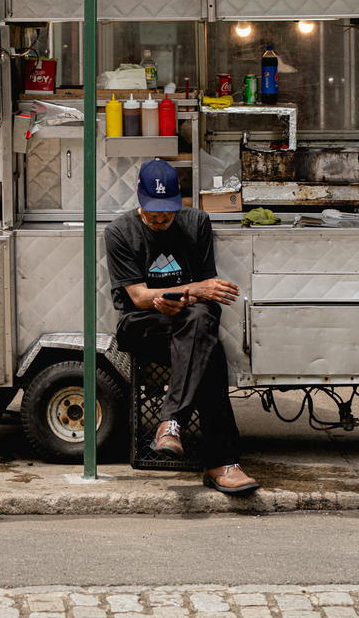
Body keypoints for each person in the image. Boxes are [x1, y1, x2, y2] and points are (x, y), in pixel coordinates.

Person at [104, 158, 259, 495]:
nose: (160, 218)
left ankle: (171, 424)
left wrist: (189, 297)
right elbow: (139, 297)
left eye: (168, 211)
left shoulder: (196, 223)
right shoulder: (119, 231)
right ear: (138, 197)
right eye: (153, 211)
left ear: (180, 201)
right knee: (206, 349)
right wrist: (173, 296)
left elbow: (208, 287)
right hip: (144, 325)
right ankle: (222, 463)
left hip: (191, 322)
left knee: (204, 333)